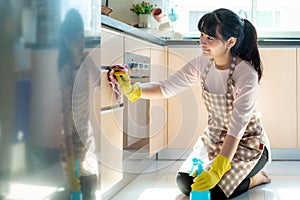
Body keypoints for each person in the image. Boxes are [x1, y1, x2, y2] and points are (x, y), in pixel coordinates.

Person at [113, 8, 271, 200]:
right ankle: (234, 176)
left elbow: (237, 126)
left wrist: (218, 168)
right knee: (186, 182)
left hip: (247, 143)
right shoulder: (202, 63)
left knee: (214, 193)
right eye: (202, 35)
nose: (203, 42)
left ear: (230, 42)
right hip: (214, 139)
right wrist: (134, 90)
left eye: (210, 38)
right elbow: (166, 87)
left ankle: (256, 178)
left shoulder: (246, 74)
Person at [58, 9, 100, 200]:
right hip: (67, 136)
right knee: (72, 183)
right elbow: (65, 117)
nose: (81, 43)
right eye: (76, 39)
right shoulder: (65, 71)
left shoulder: (86, 60)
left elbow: (101, 80)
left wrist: (117, 75)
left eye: (82, 37)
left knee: (90, 181)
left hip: (85, 133)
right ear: (67, 42)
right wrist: (69, 155)